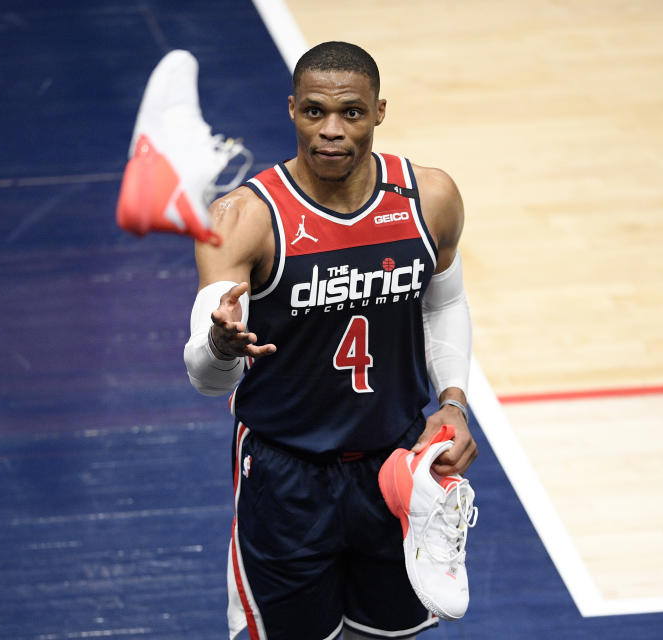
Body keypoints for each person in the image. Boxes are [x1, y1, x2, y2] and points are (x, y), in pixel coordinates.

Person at [182, 41, 477, 640]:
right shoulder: (245, 219)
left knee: (388, 636)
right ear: (292, 109)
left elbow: (444, 301)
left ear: (379, 112)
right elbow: (205, 376)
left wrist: (453, 402)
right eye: (314, 112)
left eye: (352, 113)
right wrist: (221, 347)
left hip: (394, 469)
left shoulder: (429, 198)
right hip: (285, 476)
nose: (332, 131)